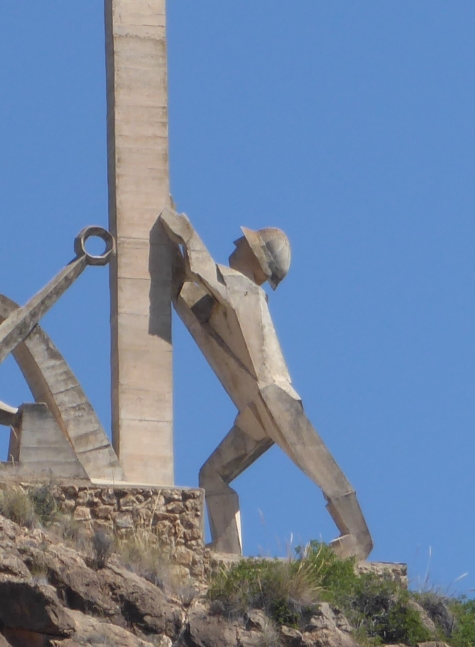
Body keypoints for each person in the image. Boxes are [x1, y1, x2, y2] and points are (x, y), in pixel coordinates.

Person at [155, 206, 373, 559]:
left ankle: (359, 538)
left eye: (244, 243)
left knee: (322, 469)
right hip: (255, 408)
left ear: (254, 259)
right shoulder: (228, 300)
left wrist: (187, 234)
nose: (236, 242)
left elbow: (203, 270)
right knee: (212, 474)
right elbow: (189, 299)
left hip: (273, 398)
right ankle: (226, 548)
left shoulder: (244, 291)